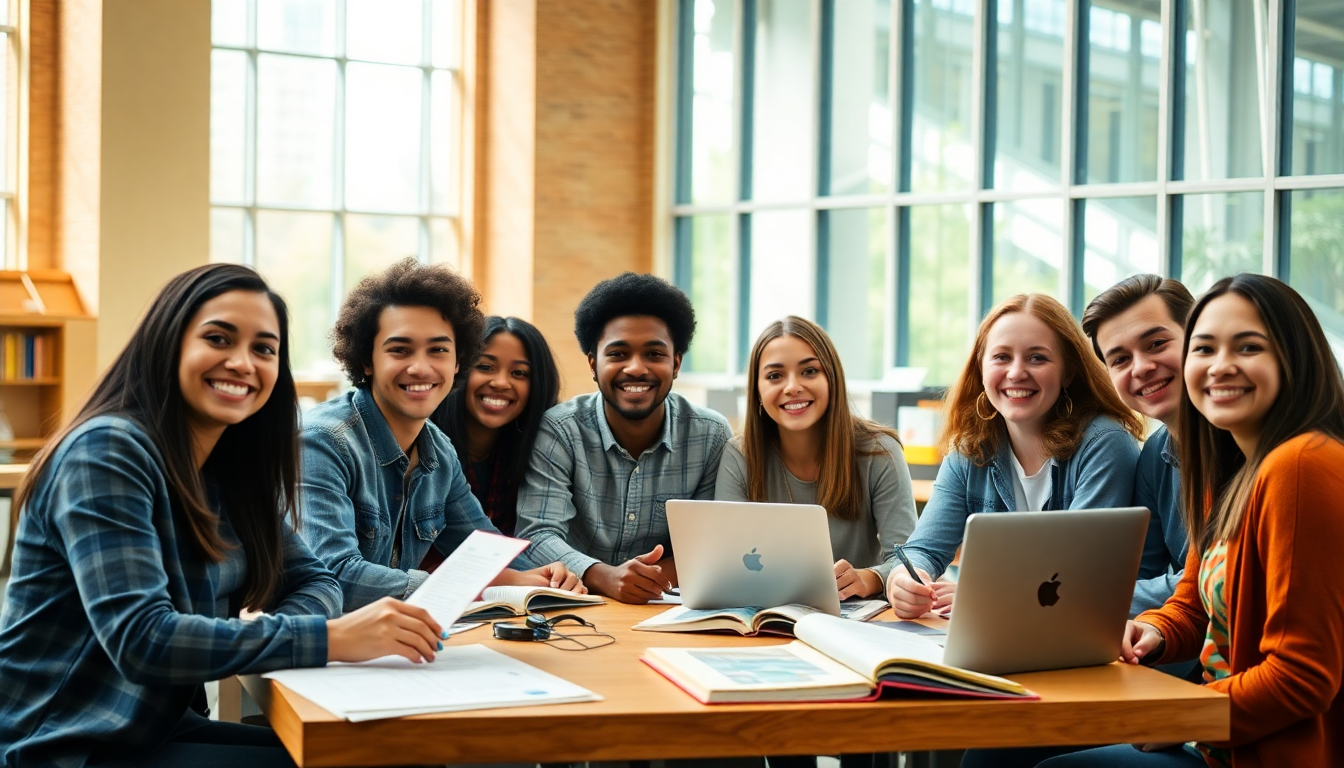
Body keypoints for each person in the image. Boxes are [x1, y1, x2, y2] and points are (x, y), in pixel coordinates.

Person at [0, 265, 446, 768]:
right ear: (169, 342)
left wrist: (302, 630)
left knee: (391, 753)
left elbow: (314, 580)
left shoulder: (225, 469)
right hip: (62, 743)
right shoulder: (106, 451)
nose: (242, 362)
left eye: (264, 349)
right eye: (218, 338)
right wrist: (331, 637)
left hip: (153, 727)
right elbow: (143, 639)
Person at [1039, 274, 1344, 768]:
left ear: (1294, 355)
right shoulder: (1225, 466)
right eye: (1206, 349)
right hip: (1218, 740)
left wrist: (1183, 718)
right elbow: (1193, 603)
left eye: (1247, 347)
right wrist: (1153, 632)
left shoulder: (1302, 466)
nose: (1221, 366)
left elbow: (1301, 677)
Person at [299, 258, 580, 611]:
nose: (421, 367)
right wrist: (458, 585)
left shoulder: (437, 451)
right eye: (399, 350)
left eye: (438, 350)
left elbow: (485, 552)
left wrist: (548, 578)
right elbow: (335, 576)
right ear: (366, 360)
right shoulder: (322, 442)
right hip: (320, 652)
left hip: (395, 646)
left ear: (458, 362)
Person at [886, 293, 1147, 620]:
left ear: (1068, 372)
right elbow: (922, 550)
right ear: (981, 368)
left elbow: (1076, 576)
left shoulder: (1105, 444)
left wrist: (985, 593)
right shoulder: (970, 450)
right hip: (1000, 633)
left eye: (1037, 358)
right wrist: (905, 581)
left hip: (1082, 634)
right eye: (1001, 357)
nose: (1016, 373)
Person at [515, 272, 733, 604]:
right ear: (593, 363)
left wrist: (646, 580)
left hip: (665, 609)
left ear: (675, 363)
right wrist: (604, 575)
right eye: (618, 354)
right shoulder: (560, 429)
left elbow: (710, 545)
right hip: (576, 605)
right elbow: (538, 533)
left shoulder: (710, 434)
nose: (635, 368)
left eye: (654, 354)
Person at [715, 316, 917, 600]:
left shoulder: (879, 452)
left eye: (809, 371)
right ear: (757, 391)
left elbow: (911, 559)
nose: (792, 387)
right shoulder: (740, 456)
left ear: (832, 379)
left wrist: (869, 578)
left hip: (855, 620)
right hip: (763, 613)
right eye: (775, 376)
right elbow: (725, 562)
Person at [1082, 275, 1194, 616]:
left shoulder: (1253, 446)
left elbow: (1218, 580)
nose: (1142, 368)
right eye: (1120, 360)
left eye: (1157, 343)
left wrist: (1078, 600)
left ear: (1198, 337)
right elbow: (1143, 574)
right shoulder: (1154, 457)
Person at [429, 316, 561, 538]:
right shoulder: (424, 444)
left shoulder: (542, 454)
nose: (500, 383)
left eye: (519, 373)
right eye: (485, 366)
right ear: (458, 369)